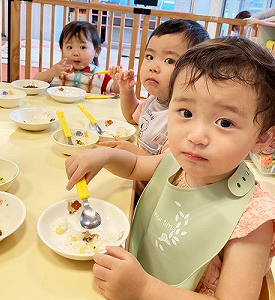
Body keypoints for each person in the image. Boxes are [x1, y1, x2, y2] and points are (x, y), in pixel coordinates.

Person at [65, 36, 275, 299]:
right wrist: (104, 156)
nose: (196, 136)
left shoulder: (253, 219)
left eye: (224, 122)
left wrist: (143, 289)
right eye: (186, 113)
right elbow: (135, 167)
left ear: (262, 138)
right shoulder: (179, 161)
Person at [99, 19, 209, 155]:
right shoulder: (154, 100)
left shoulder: (184, 119)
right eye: (150, 57)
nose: (154, 67)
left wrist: (133, 154)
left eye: (169, 60)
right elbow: (131, 116)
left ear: (196, 72)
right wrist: (127, 91)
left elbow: (167, 167)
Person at [33, 21, 120, 94]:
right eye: (69, 47)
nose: (75, 53)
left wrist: (116, 80)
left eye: (82, 47)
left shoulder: (99, 75)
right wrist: (51, 73)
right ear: (62, 49)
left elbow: (117, 90)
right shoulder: (58, 71)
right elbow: (36, 81)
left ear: (96, 51)